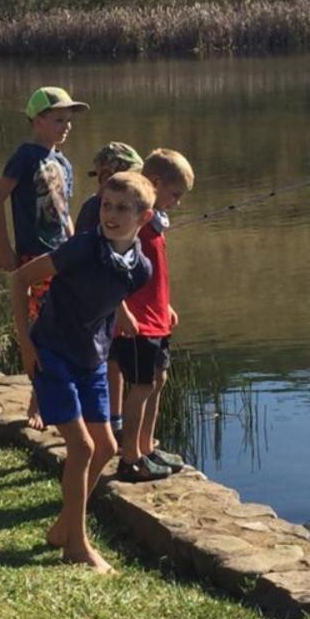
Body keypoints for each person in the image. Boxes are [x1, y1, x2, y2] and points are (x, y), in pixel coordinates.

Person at [12, 170, 156, 574]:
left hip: (92, 358)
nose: (111, 215)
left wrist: (121, 313)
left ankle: (63, 526)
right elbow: (19, 279)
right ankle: (77, 544)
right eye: (107, 205)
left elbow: (110, 287)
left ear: (143, 218)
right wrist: (26, 344)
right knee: (82, 448)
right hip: (52, 353)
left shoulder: (140, 269)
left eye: (122, 209)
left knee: (106, 447)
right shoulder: (82, 247)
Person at [0, 85, 86, 428]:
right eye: (59, 120)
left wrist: (77, 248)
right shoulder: (26, 156)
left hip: (62, 256)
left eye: (69, 120)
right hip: (34, 255)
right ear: (37, 120)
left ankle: (51, 398)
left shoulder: (63, 162)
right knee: (43, 327)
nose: (66, 126)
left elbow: (64, 212)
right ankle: (37, 403)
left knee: (64, 323)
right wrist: (4, 248)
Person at [112, 148, 195, 482]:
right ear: (156, 183)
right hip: (137, 323)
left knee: (158, 380)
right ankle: (129, 458)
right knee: (142, 385)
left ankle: (146, 447)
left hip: (156, 317)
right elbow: (115, 271)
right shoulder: (133, 223)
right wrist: (121, 310)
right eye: (175, 194)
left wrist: (166, 306)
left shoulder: (155, 222)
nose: (178, 202)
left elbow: (153, 273)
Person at [73, 141, 144, 435]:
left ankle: (113, 421)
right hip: (95, 304)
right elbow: (101, 268)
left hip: (107, 303)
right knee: (102, 361)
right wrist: (122, 310)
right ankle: (99, 423)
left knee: (113, 360)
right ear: (107, 177)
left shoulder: (110, 209)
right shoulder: (97, 211)